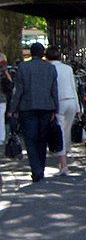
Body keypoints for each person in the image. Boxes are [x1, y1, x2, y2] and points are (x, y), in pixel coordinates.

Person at [9, 42, 58, 182]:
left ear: (30, 53)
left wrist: (13, 109)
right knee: (42, 139)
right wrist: (56, 108)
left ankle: (36, 169)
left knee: (30, 140)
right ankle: (40, 168)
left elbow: (19, 91)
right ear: (43, 53)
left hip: (28, 107)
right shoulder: (50, 68)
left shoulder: (23, 67)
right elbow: (54, 90)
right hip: (46, 107)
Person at [45, 46, 79, 176]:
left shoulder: (49, 69)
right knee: (66, 131)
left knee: (59, 133)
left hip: (58, 102)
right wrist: (78, 106)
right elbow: (73, 86)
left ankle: (63, 165)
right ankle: (64, 158)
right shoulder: (68, 68)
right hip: (70, 100)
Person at [0, 53, 13, 146]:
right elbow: (10, 84)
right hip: (2, 98)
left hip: (2, 99)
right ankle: (1, 138)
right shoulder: (4, 72)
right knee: (1, 119)